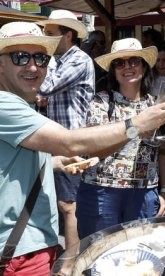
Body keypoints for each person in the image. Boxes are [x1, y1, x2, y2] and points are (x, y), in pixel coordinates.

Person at [0, 21, 165, 275]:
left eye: (40, 58)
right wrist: (137, 125)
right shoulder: (7, 104)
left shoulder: (23, 104)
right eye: (20, 57)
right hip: (21, 248)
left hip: (35, 244)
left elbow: (14, 164)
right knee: (102, 261)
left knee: (140, 261)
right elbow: (71, 142)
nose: (33, 66)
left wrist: (56, 162)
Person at [76, 38, 165, 238]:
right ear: (113, 71)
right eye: (120, 63)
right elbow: (94, 151)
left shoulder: (155, 106)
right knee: (98, 256)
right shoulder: (101, 101)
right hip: (101, 190)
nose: (127, 67)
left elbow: (163, 150)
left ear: (144, 67)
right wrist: (134, 129)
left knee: (139, 256)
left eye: (134, 61)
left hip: (144, 192)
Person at [35, 9, 96, 258]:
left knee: (68, 206)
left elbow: (47, 86)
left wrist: (44, 57)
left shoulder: (78, 59)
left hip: (72, 144)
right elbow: (44, 96)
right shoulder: (61, 61)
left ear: (68, 35)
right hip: (58, 142)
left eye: (51, 35)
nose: (47, 40)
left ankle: (72, 263)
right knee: (63, 205)